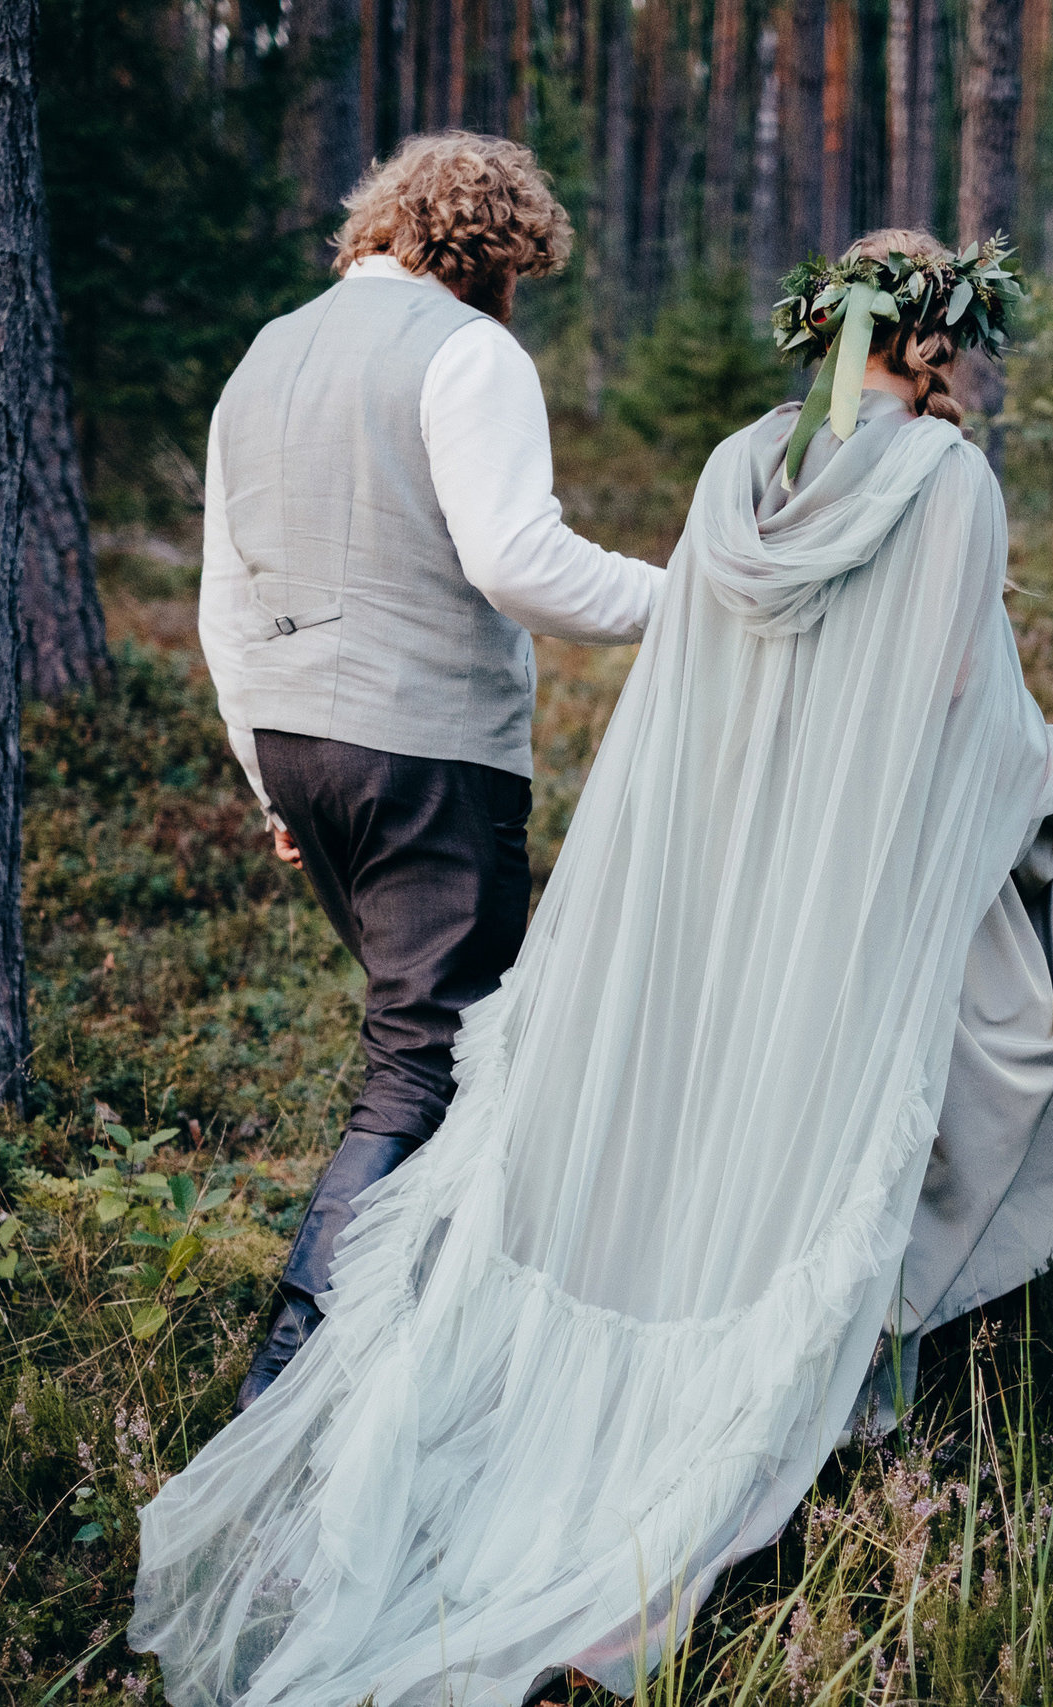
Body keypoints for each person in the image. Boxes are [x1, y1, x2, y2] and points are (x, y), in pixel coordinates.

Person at [137, 227, 1053, 1707]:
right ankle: (853, 1375)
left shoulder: (731, 473)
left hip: (721, 851)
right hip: (857, 857)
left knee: (719, 1112)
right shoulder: (949, 481)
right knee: (948, 1046)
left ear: (818, 324)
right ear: (929, 339)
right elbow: (972, 691)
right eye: (954, 341)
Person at [195, 132, 665, 1411]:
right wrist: (693, 604)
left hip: (297, 746)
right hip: (423, 751)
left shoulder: (265, 353)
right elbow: (520, 562)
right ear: (496, 254)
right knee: (432, 1055)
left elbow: (220, 596)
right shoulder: (470, 350)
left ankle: (436, 1352)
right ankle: (292, 1389)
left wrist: (265, 780)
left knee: (445, 1045)